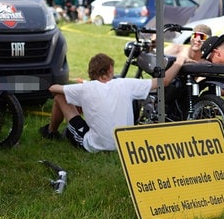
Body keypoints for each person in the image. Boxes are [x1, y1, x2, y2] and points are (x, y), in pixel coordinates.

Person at [39, 53, 186, 152]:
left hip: (97, 145)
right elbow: (165, 81)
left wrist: (73, 94)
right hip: (126, 146)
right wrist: (180, 61)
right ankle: (55, 131)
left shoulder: (85, 88)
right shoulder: (125, 83)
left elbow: (53, 89)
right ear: (110, 70)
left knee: (60, 97)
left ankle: (51, 132)